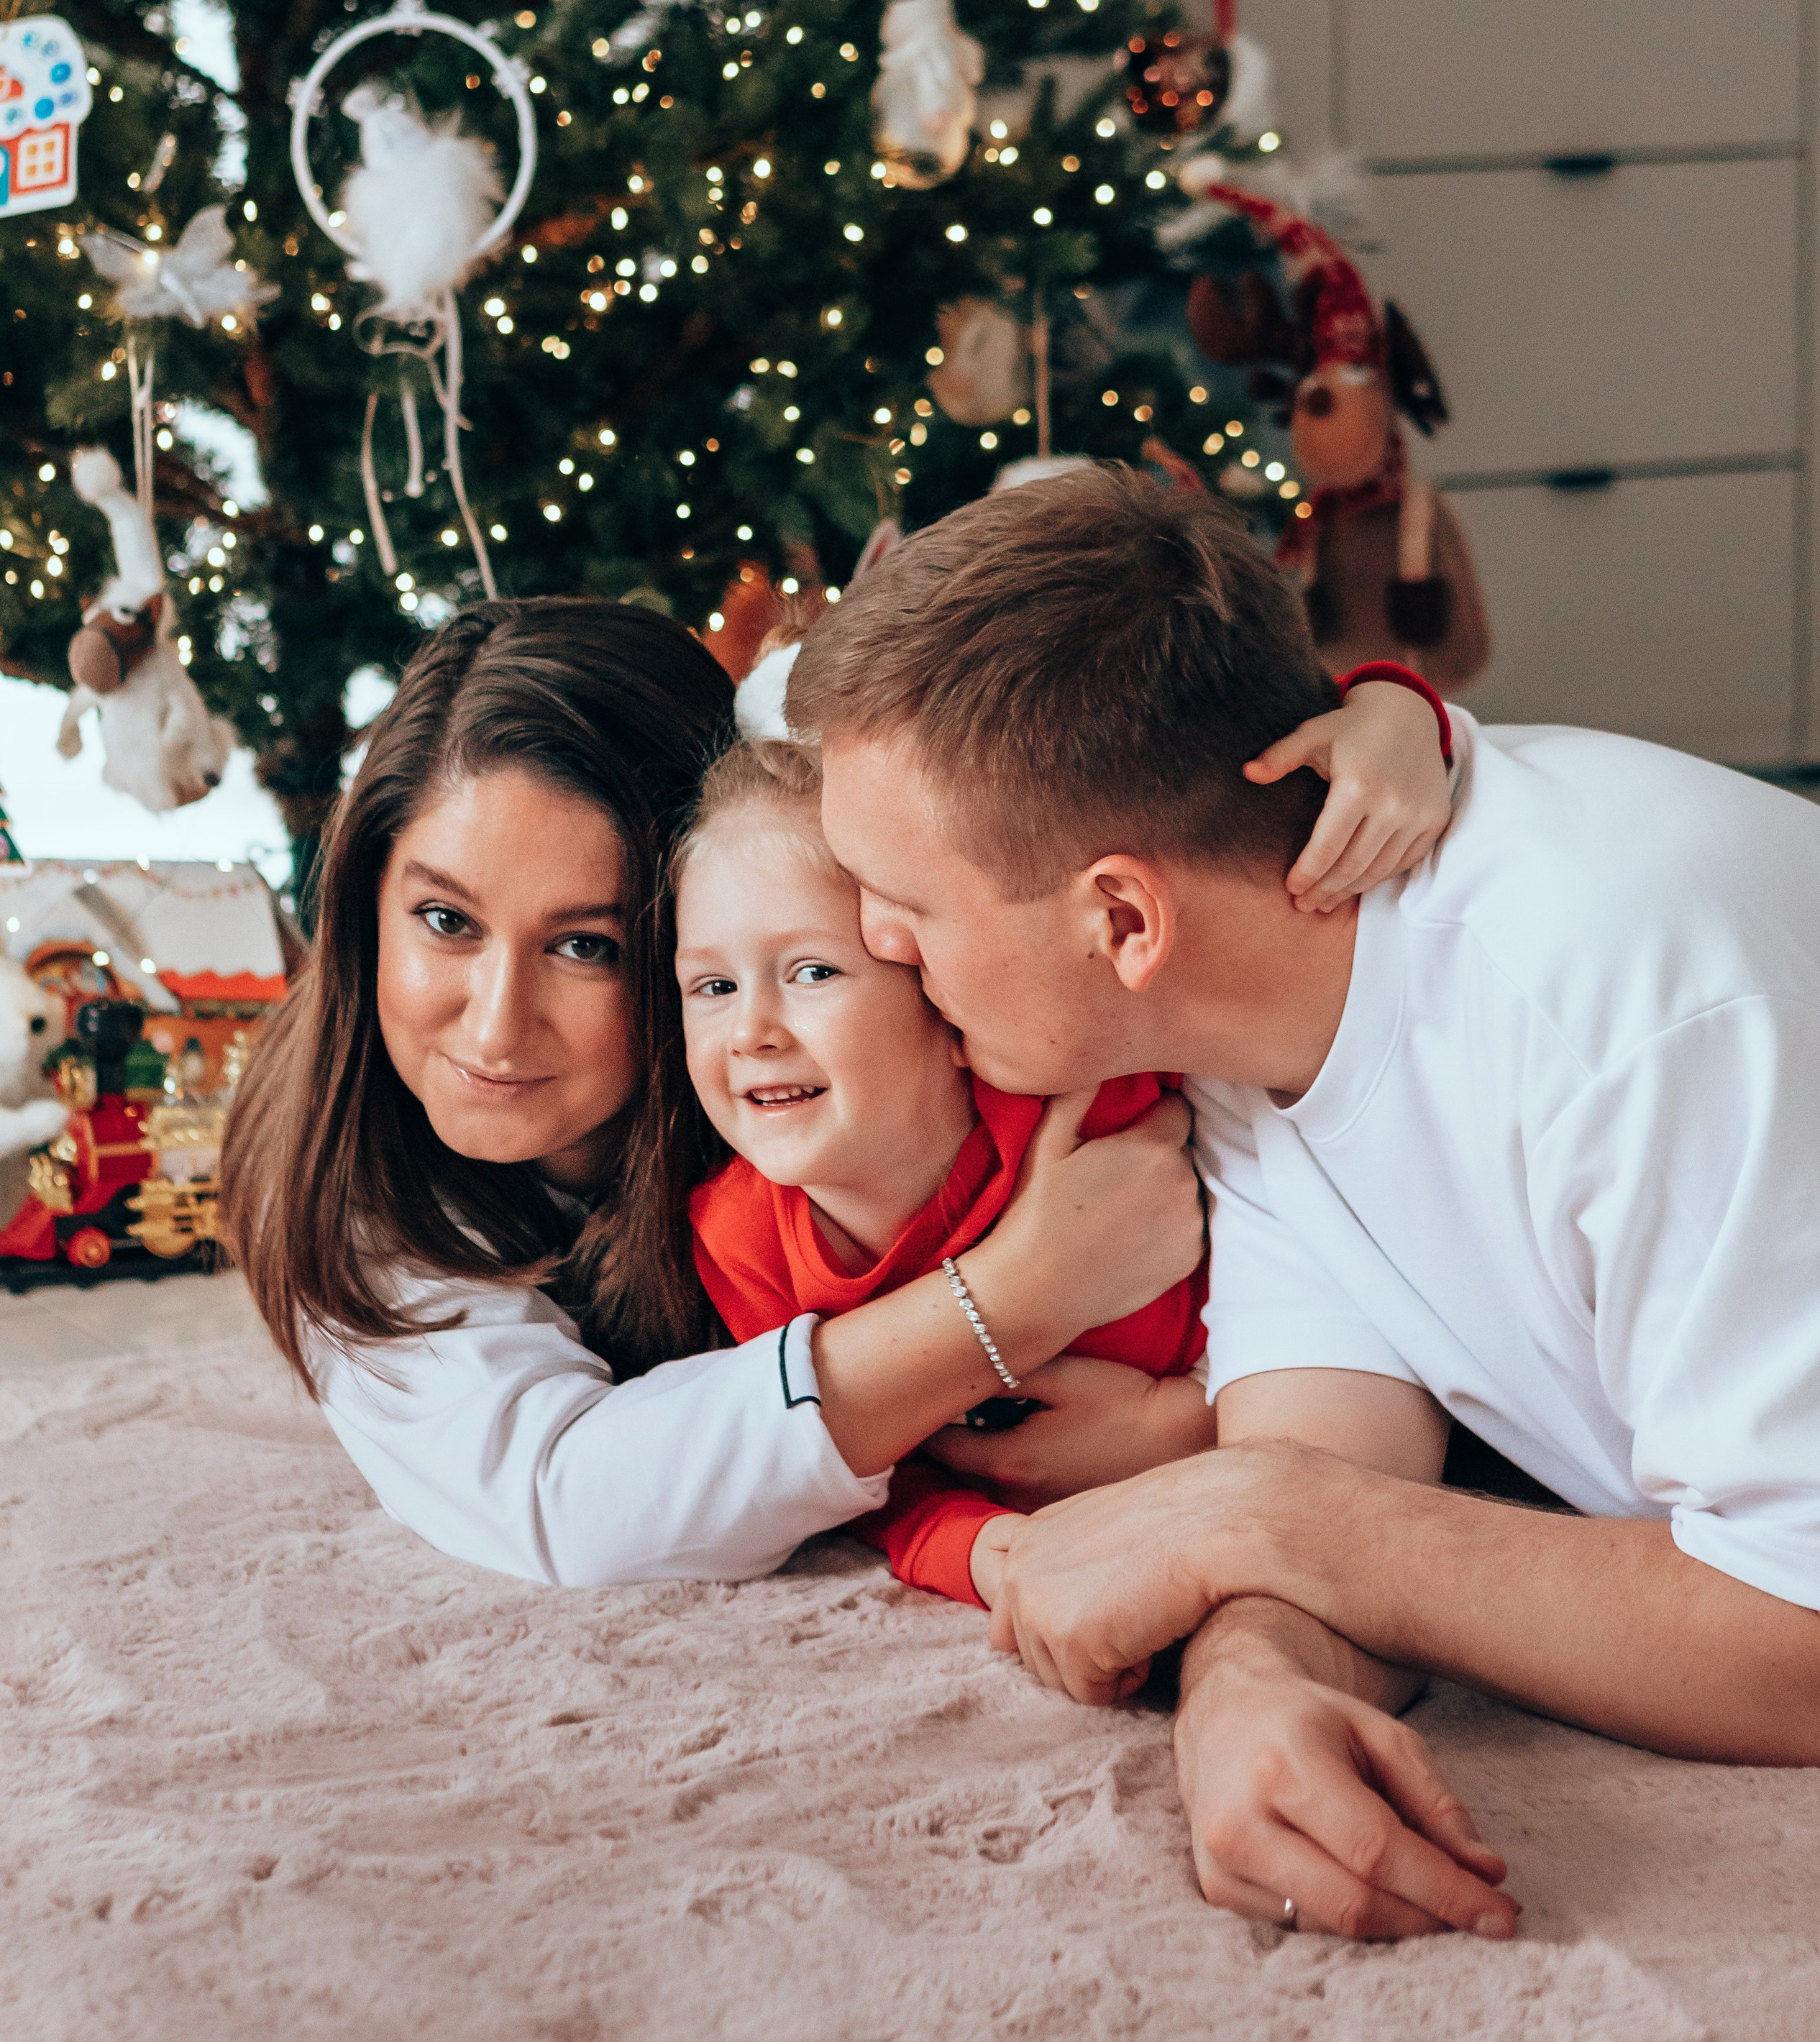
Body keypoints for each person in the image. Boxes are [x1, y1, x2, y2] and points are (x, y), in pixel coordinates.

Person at [791, 465, 1820, 1948]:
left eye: (900, 896)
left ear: (1119, 920)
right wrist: (1249, 1688)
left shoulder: (1629, 1014)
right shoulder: (1244, 1019)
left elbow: (1813, 1644)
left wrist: (1247, 1513)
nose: (874, 947)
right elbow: (1333, 1425)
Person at [221, 594, 1448, 1591]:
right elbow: (565, 1504)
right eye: (443, 919)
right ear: (362, 899)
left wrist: (1390, 715)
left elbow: (1109, 797)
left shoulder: (824, 1040)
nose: (493, 1023)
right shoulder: (347, 1174)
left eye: (587, 944)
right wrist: (1018, 1298)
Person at [677, 738, 1209, 1608]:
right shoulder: (739, 1242)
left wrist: (1404, 719)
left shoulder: (1089, 1109)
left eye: (812, 972)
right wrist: (990, 1553)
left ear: (937, 989)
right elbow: (843, 1475)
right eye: (711, 987)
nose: (750, 1032)